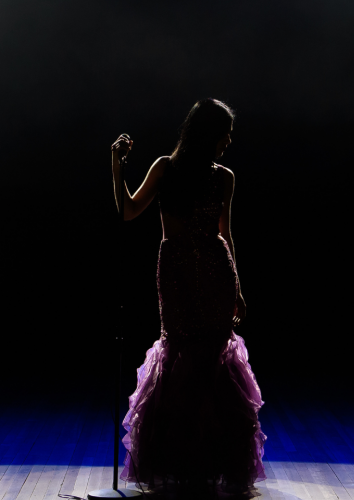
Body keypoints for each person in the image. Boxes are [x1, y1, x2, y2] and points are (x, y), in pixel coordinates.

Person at [110, 98, 266, 497]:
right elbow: (128, 211)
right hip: (176, 274)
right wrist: (116, 167)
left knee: (212, 362)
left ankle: (211, 463)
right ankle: (179, 463)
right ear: (206, 134)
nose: (229, 140)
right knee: (180, 355)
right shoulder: (166, 168)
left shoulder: (225, 177)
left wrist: (239, 289)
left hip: (217, 273)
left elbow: (225, 234)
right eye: (224, 133)